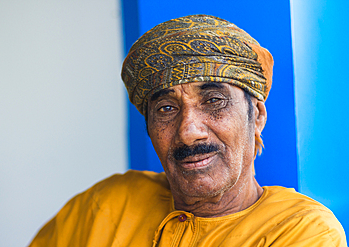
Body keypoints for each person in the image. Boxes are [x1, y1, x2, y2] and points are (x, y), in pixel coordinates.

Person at [29, 14, 347, 246]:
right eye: (166, 109)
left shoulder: (302, 232)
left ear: (257, 117)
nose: (188, 132)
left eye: (214, 101)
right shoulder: (104, 204)